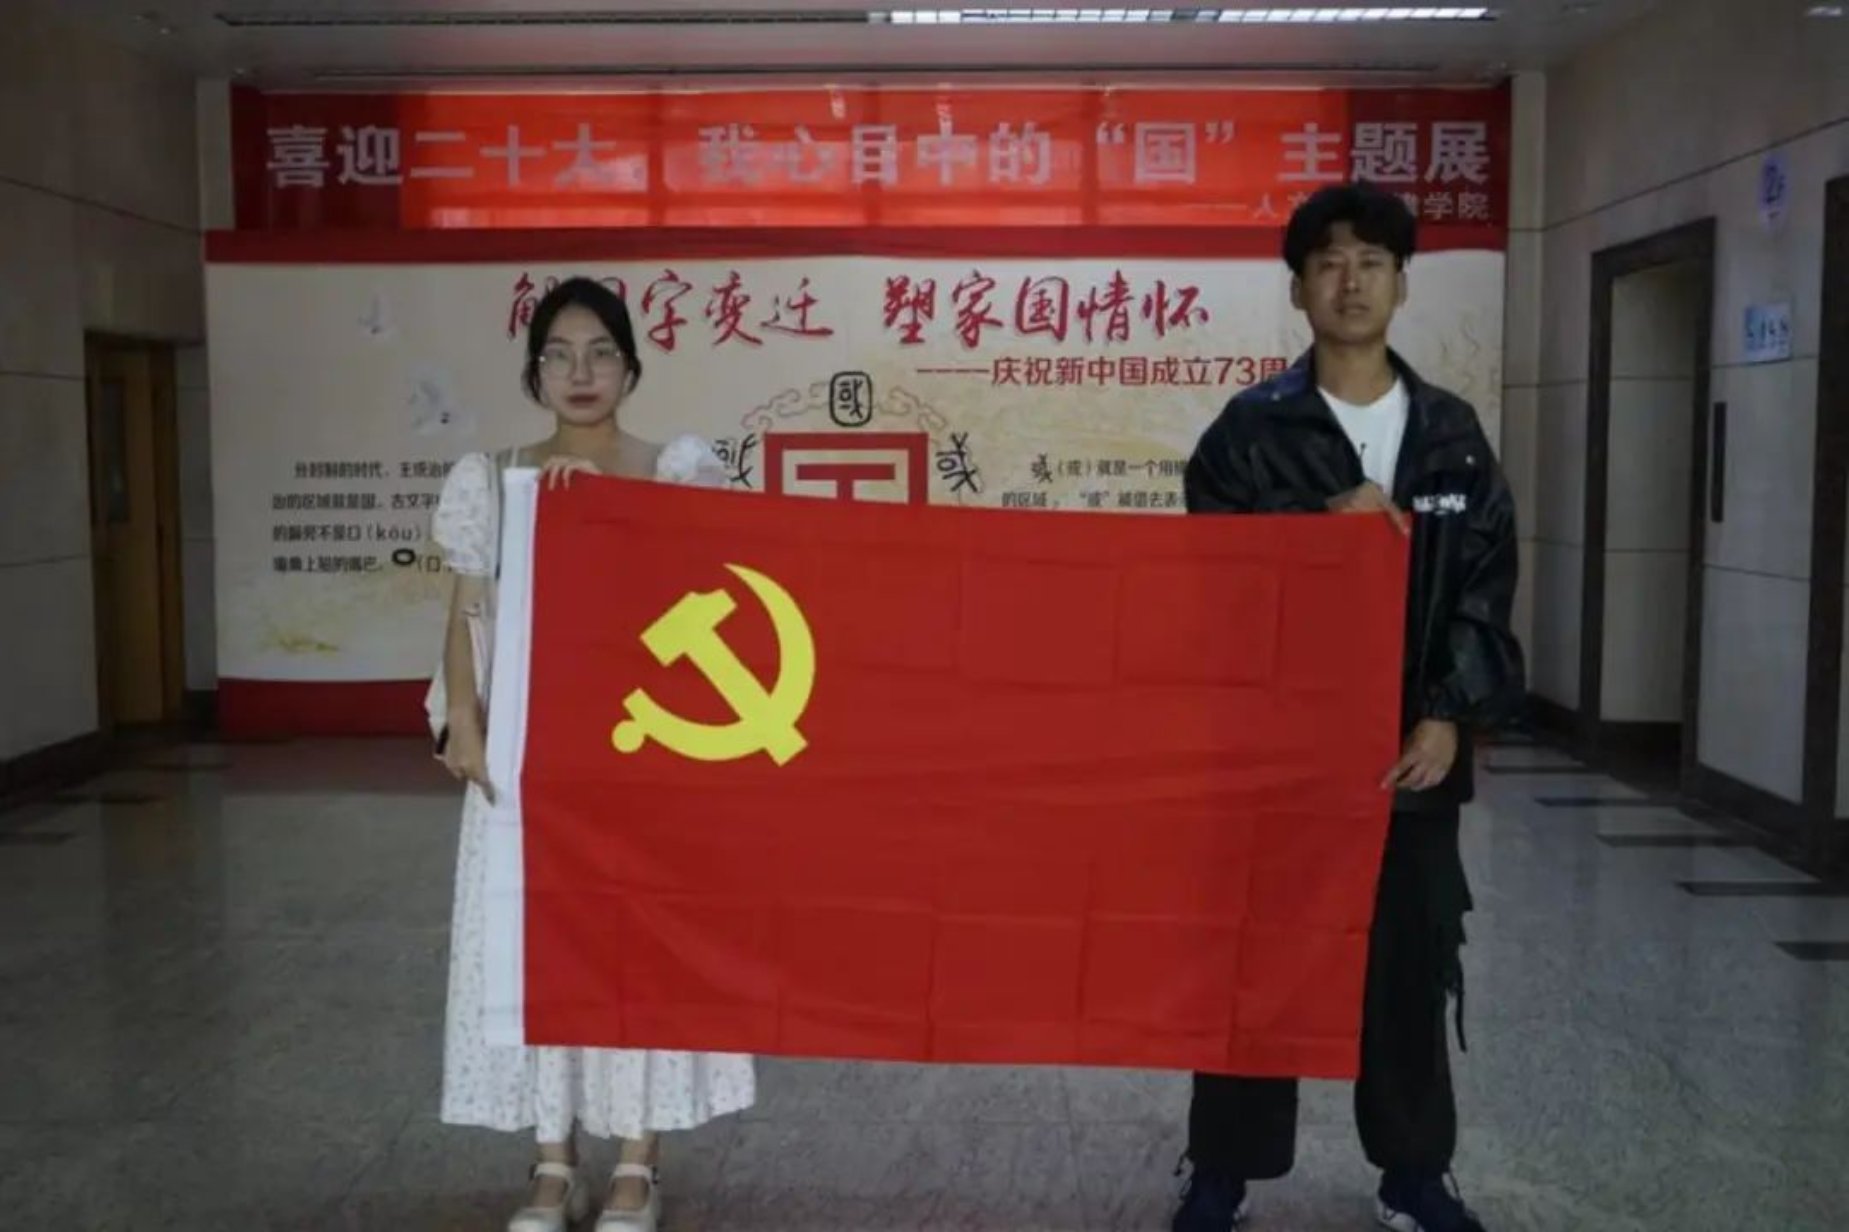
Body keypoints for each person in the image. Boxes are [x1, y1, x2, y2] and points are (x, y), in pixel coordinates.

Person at [1174, 183, 1524, 1232]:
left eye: (1372, 261)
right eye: (1328, 262)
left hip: (1411, 756)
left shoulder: (1452, 433)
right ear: (1298, 288)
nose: (1350, 280)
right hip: (1277, 756)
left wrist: (1447, 712)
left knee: (1408, 963)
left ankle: (1413, 1172)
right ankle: (1223, 1168)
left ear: (1402, 284)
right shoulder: (1249, 432)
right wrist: (1313, 533)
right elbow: (1209, 586)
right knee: (1258, 959)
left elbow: (1485, 587)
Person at [430, 276, 755, 1232]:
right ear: (535, 374)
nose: (581, 372)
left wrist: (609, 519)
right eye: (560, 355)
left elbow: (706, 595)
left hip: (642, 760)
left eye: (601, 352)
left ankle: (636, 1163)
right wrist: (463, 717)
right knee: (533, 945)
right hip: (527, 764)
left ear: (631, 369)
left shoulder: (673, 471)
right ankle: (551, 1160)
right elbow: (469, 610)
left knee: (635, 949)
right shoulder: (493, 478)